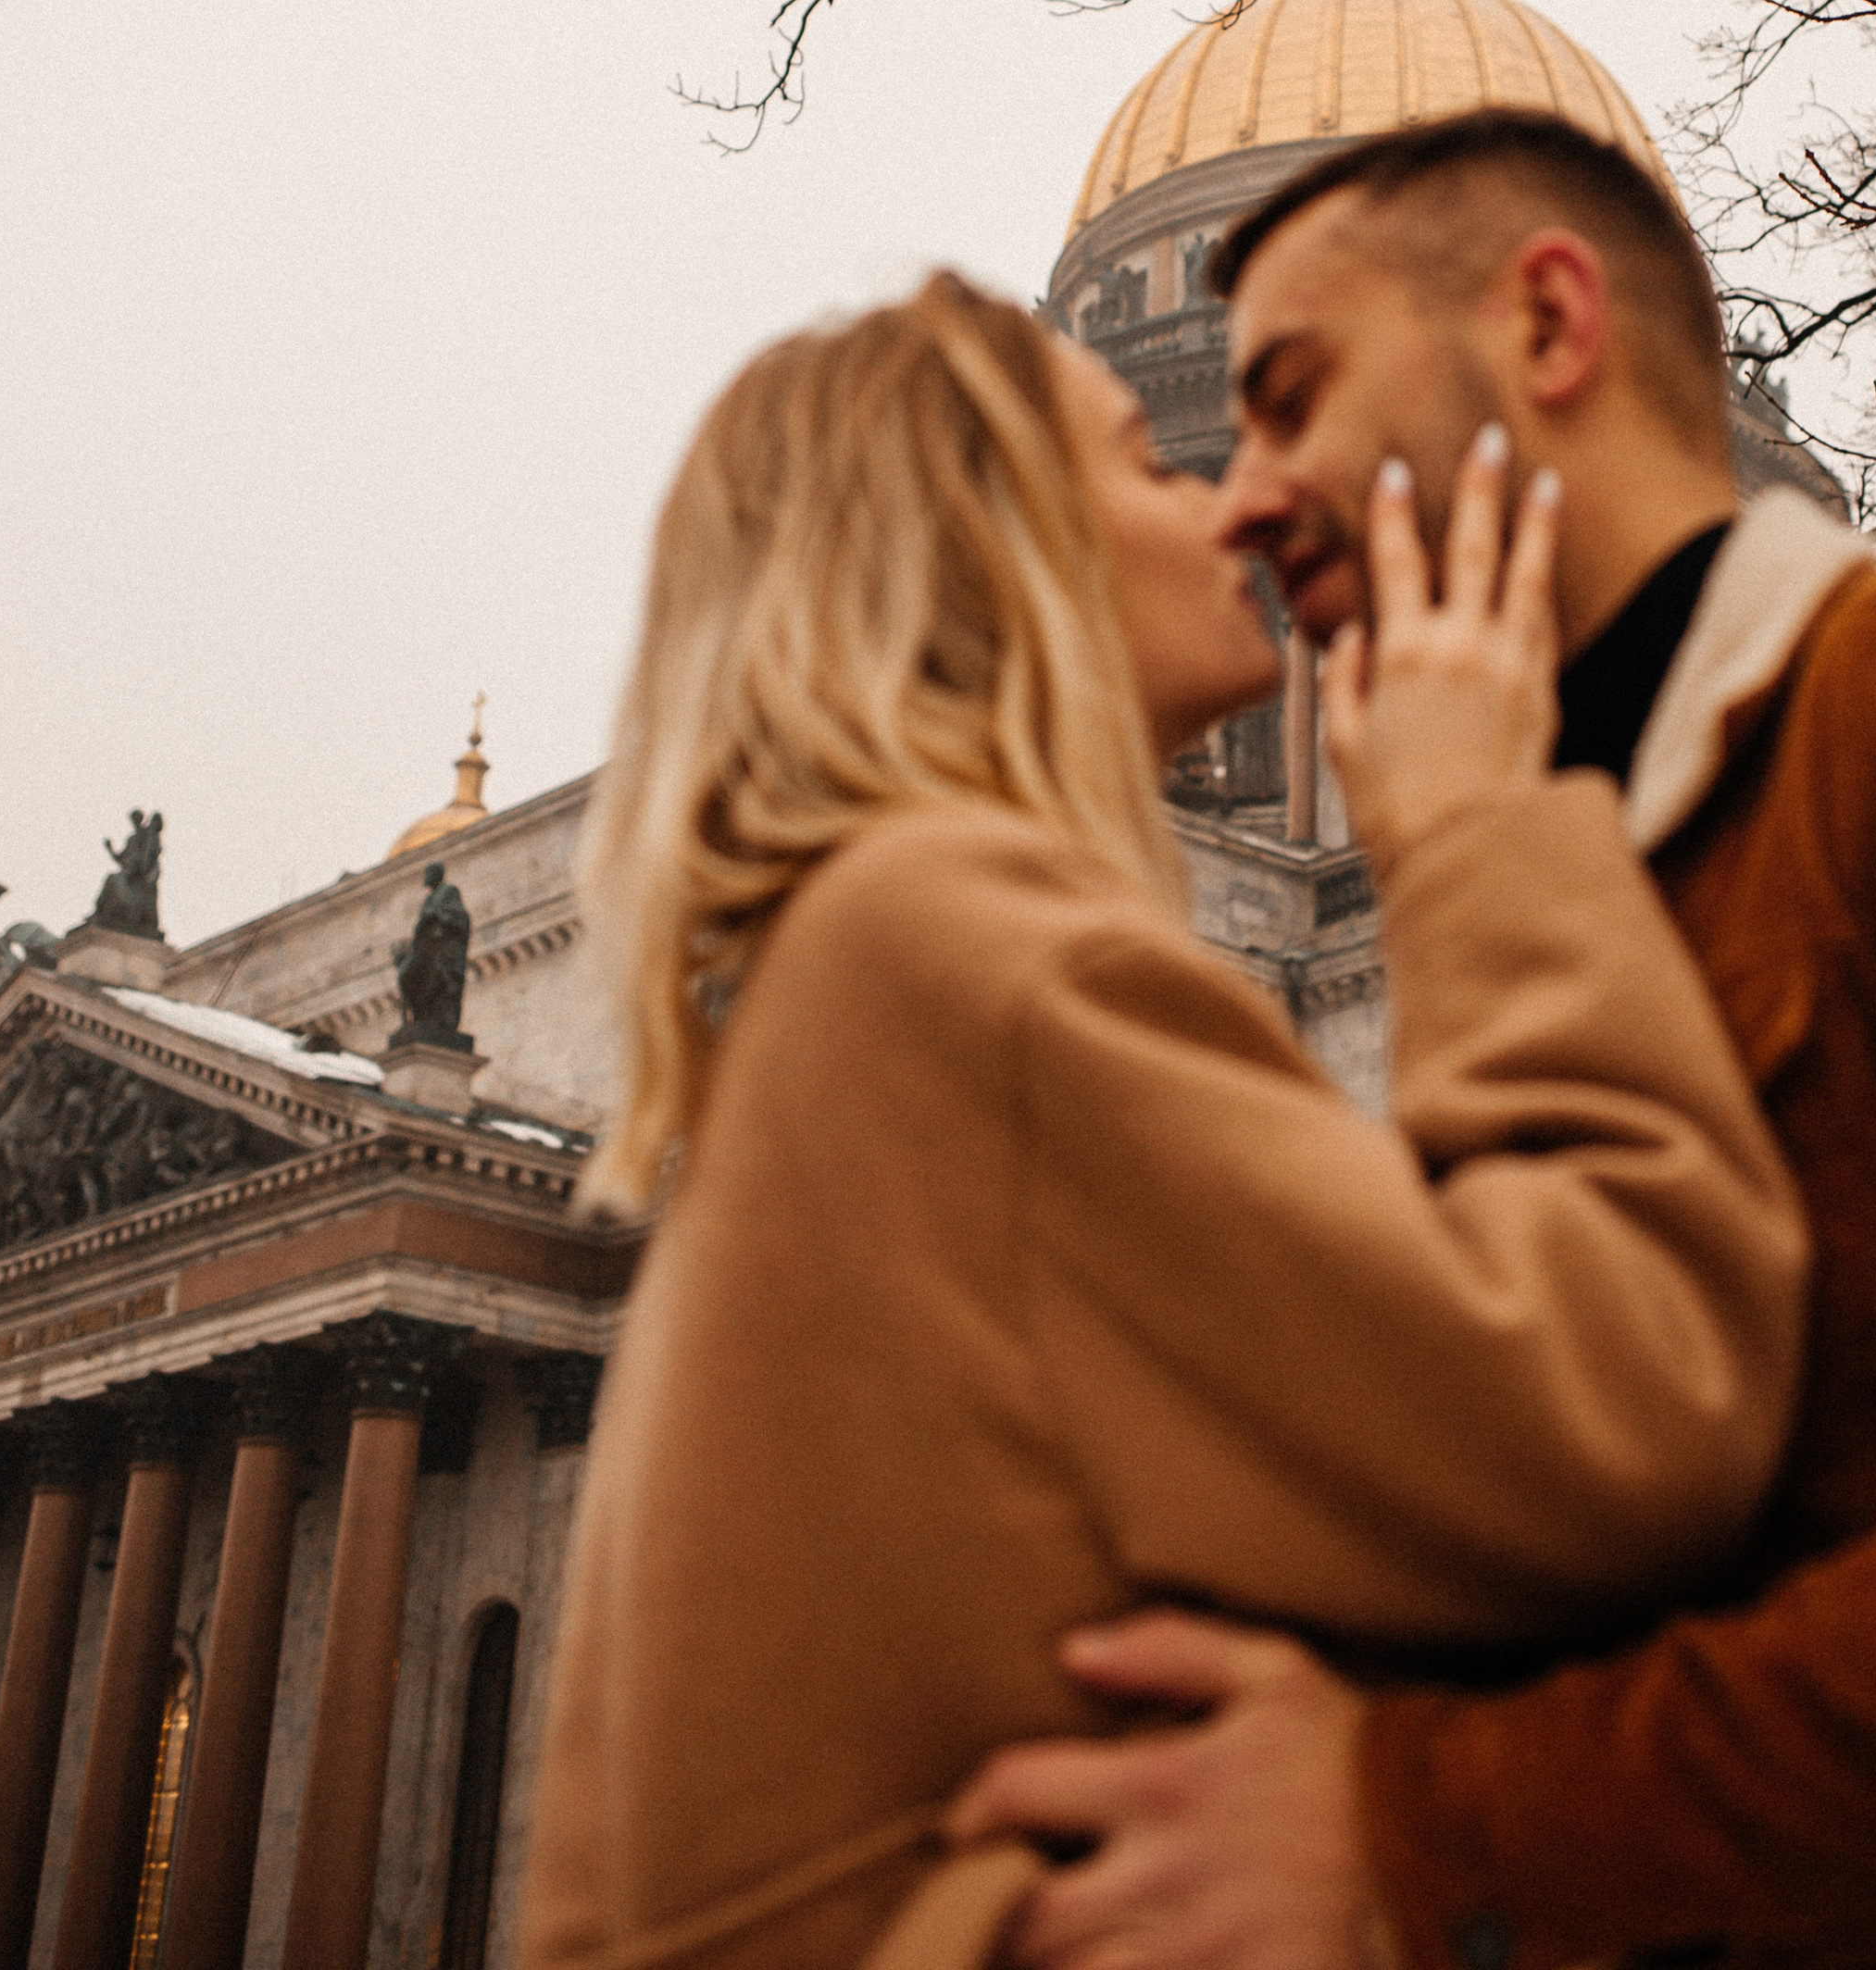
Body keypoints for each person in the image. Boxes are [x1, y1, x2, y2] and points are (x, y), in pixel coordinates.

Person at [952, 109, 1876, 1970]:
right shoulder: (1517, 890)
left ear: (1548, 325)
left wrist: (1423, 1827)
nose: (1241, 499)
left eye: (1290, 393)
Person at [519, 271, 1807, 1970]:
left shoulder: (865, 956)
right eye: (1151, 460)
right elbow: (1639, 1398)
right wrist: (1490, 821)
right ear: (998, 552)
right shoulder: (972, 962)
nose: (1232, 507)